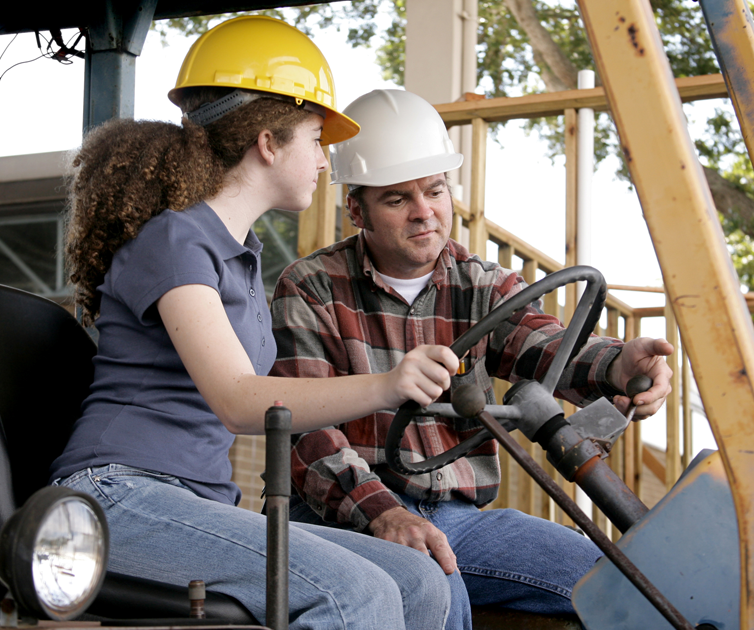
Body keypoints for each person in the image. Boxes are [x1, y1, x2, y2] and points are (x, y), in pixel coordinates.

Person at [49, 21, 464, 630]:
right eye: (317, 140)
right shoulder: (175, 239)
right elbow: (242, 403)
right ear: (269, 143)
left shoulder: (238, 254)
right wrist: (388, 383)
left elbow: (276, 393)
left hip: (192, 501)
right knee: (358, 596)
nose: (326, 159)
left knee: (420, 583)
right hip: (116, 497)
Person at [271, 88, 675, 622]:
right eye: (397, 199)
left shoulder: (481, 284)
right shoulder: (311, 288)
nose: (424, 213)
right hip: (348, 515)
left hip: (462, 516)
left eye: (435, 191)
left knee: (629, 583)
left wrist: (620, 366)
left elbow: (546, 344)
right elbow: (307, 431)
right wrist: (384, 513)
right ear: (355, 208)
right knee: (436, 587)